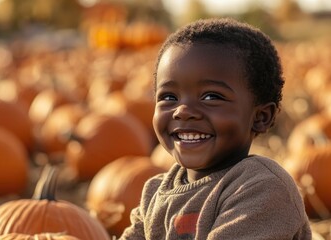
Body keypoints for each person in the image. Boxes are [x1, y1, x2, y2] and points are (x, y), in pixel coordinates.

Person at [118, 18, 312, 239]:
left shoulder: (263, 188)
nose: (182, 111)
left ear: (260, 117)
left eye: (211, 96)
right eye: (169, 97)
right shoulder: (154, 192)